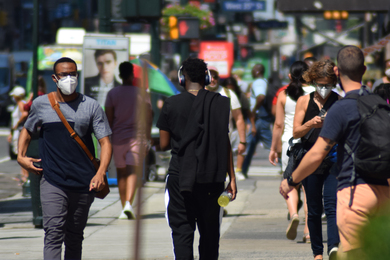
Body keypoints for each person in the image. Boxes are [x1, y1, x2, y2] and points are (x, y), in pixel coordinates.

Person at [17, 57, 112, 260]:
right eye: (64, 75)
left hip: (84, 183)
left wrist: (101, 172)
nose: (69, 78)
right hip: (53, 181)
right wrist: (21, 157)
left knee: (75, 236)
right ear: (54, 78)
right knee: (53, 233)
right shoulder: (42, 104)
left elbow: (105, 142)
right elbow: (26, 130)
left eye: (73, 74)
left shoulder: (91, 106)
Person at [157, 58, 237, 260]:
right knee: (210, 235)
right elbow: (224, 142)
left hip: (179, 176)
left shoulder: (171, 103)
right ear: (208, 78)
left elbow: (165, 144)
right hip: (212, 177)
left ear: (182, 78)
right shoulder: (219, 103)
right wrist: (232, 178)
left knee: (182, 232)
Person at [281, 59, 343, 260]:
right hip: (309, 160)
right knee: (314, 209)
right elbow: (296, 131)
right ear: (313, 81)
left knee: (332, 205)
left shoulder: (339, 101)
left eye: (328, 85)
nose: (324, 89)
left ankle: (333, 247)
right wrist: (311, 124)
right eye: (321, 84)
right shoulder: (303, 101)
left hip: (333, 160)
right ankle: (317, 252)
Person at [269, 61, 314, 242]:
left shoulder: (283, 94)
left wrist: (273, 149)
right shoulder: (316, 93)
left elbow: (278, 124)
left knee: (289, 183)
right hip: (311, 144)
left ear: (290, 76)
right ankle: (308, 231)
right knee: (310, 188)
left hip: (289, 144)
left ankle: (294, 213)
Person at [105, 62, 152, 219]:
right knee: (133, 171)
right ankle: (128, 205)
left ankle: (124, 205)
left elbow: (109, 119)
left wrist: (107, 140)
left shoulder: (113, 93)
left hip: (118, 138)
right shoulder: (142, 93)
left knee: (121, 172)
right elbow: (148, 116)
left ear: (119, 75)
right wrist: (148, 136)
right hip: (137, 137)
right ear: (132, 75)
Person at [206, 67, 247, 180]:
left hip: (223, 142)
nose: (213, 80)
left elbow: (239, 118)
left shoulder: (228, 94)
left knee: (219, 177)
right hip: (203, 143)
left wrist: (242, 141)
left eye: (215, 77)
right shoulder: (198, 94)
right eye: (210, 77)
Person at [242, 64, 273, 177]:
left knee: (270, 145)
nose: (252, 72)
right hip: (261, 118)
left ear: (258, 71)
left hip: (258, 118)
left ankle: (286, 166)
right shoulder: (263, 81)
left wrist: (254, 111)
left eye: (253, 70)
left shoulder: (258, 82)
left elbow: (261, 97)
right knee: (251, 145)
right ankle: (243, 170)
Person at [222, 77, 252, 181]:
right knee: (225, 150)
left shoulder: (240, 95)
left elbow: (247, 111)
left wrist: (251, 124)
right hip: (228, 126)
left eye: (232, 87)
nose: (230, 89)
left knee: (241, 148)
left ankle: (238, 170)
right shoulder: (222, 94)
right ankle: (226, 172)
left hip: (239, 126)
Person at [8, 86, 28, 182]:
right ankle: (24, 176)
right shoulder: (22, 103)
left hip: (19, 131)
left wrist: (17, 124)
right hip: (18, 131)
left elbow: (24, 114)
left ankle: (24, 176)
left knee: (21, 155)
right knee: (21, 154)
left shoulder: (20, 103)